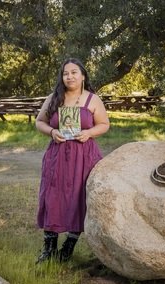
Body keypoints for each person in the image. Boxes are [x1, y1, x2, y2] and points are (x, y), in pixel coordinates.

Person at [35, 58, 110, 264]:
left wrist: (89, 133)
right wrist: (52, 131)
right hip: (57, 156)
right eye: (66, 73)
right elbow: (39, 122)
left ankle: (68, 247)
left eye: (74, 72)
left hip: (84, 156)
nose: (69, 76)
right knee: (52, 196)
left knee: (79, 198)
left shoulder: (92, 100)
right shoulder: (54, 98)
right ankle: (48, 248)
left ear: (83, 75)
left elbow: (104, 124)